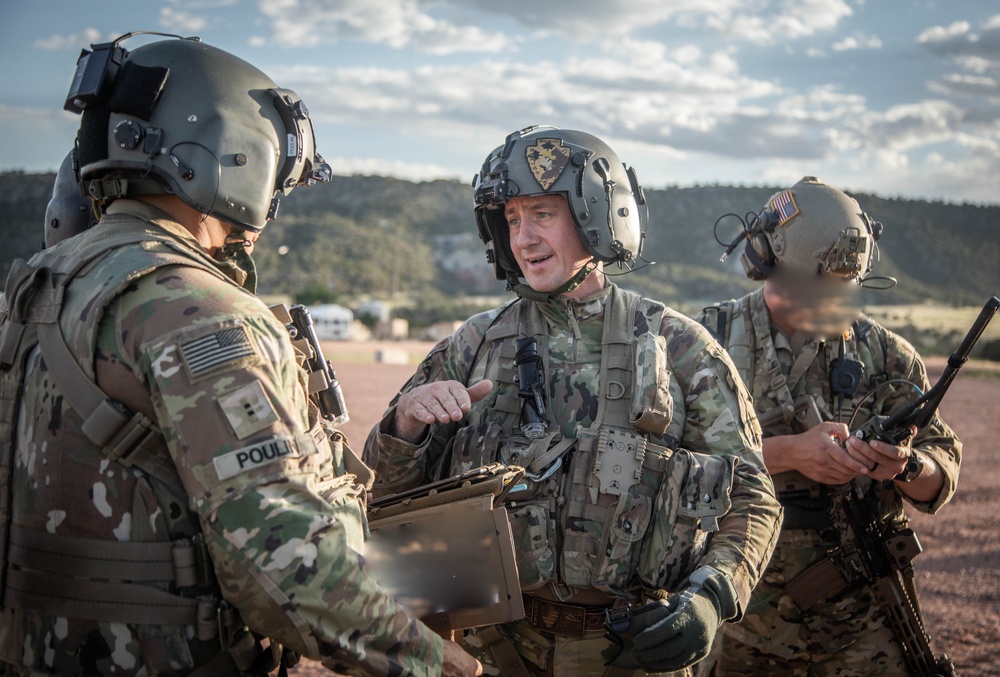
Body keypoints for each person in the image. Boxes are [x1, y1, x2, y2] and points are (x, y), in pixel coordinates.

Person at [0, 34, 479, 676]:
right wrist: (439, 663)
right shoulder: (196, 309)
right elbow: (286, 566)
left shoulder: (39, 285)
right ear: (235, 152)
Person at [363, 125, 782, 676]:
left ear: (597, 216)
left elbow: (751, 496)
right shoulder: (473, 344)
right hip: (489, 652)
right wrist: (407, 425)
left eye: (541, 215)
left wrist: (712, 596)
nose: (523, 239)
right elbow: (378, 497)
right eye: (511, 219)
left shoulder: (677, 347)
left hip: (630, 653)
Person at [695, 176, 962, 675]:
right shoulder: (704, 343)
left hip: (865, 624)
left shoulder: (886, 355)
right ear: (763, 261)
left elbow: (940, 472)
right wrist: (789, 454)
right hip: (739, 616)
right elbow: (668, 460)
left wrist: (904, 465)